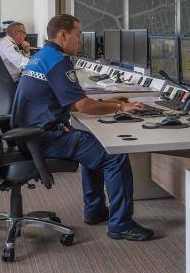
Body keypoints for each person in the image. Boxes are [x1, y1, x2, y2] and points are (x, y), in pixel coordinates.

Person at [11, 14, 154, 241]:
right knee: (113, 156)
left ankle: (95, 210)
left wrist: (112, 102)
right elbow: (82, 105)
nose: (80, 41)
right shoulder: (58, 61)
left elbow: (72, 101)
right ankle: (121, 224)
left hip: (31, 134)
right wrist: (120, 108)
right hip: (44, 138)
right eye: (78, 36)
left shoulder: (42, 56)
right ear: (63, 35)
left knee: (93, 147)